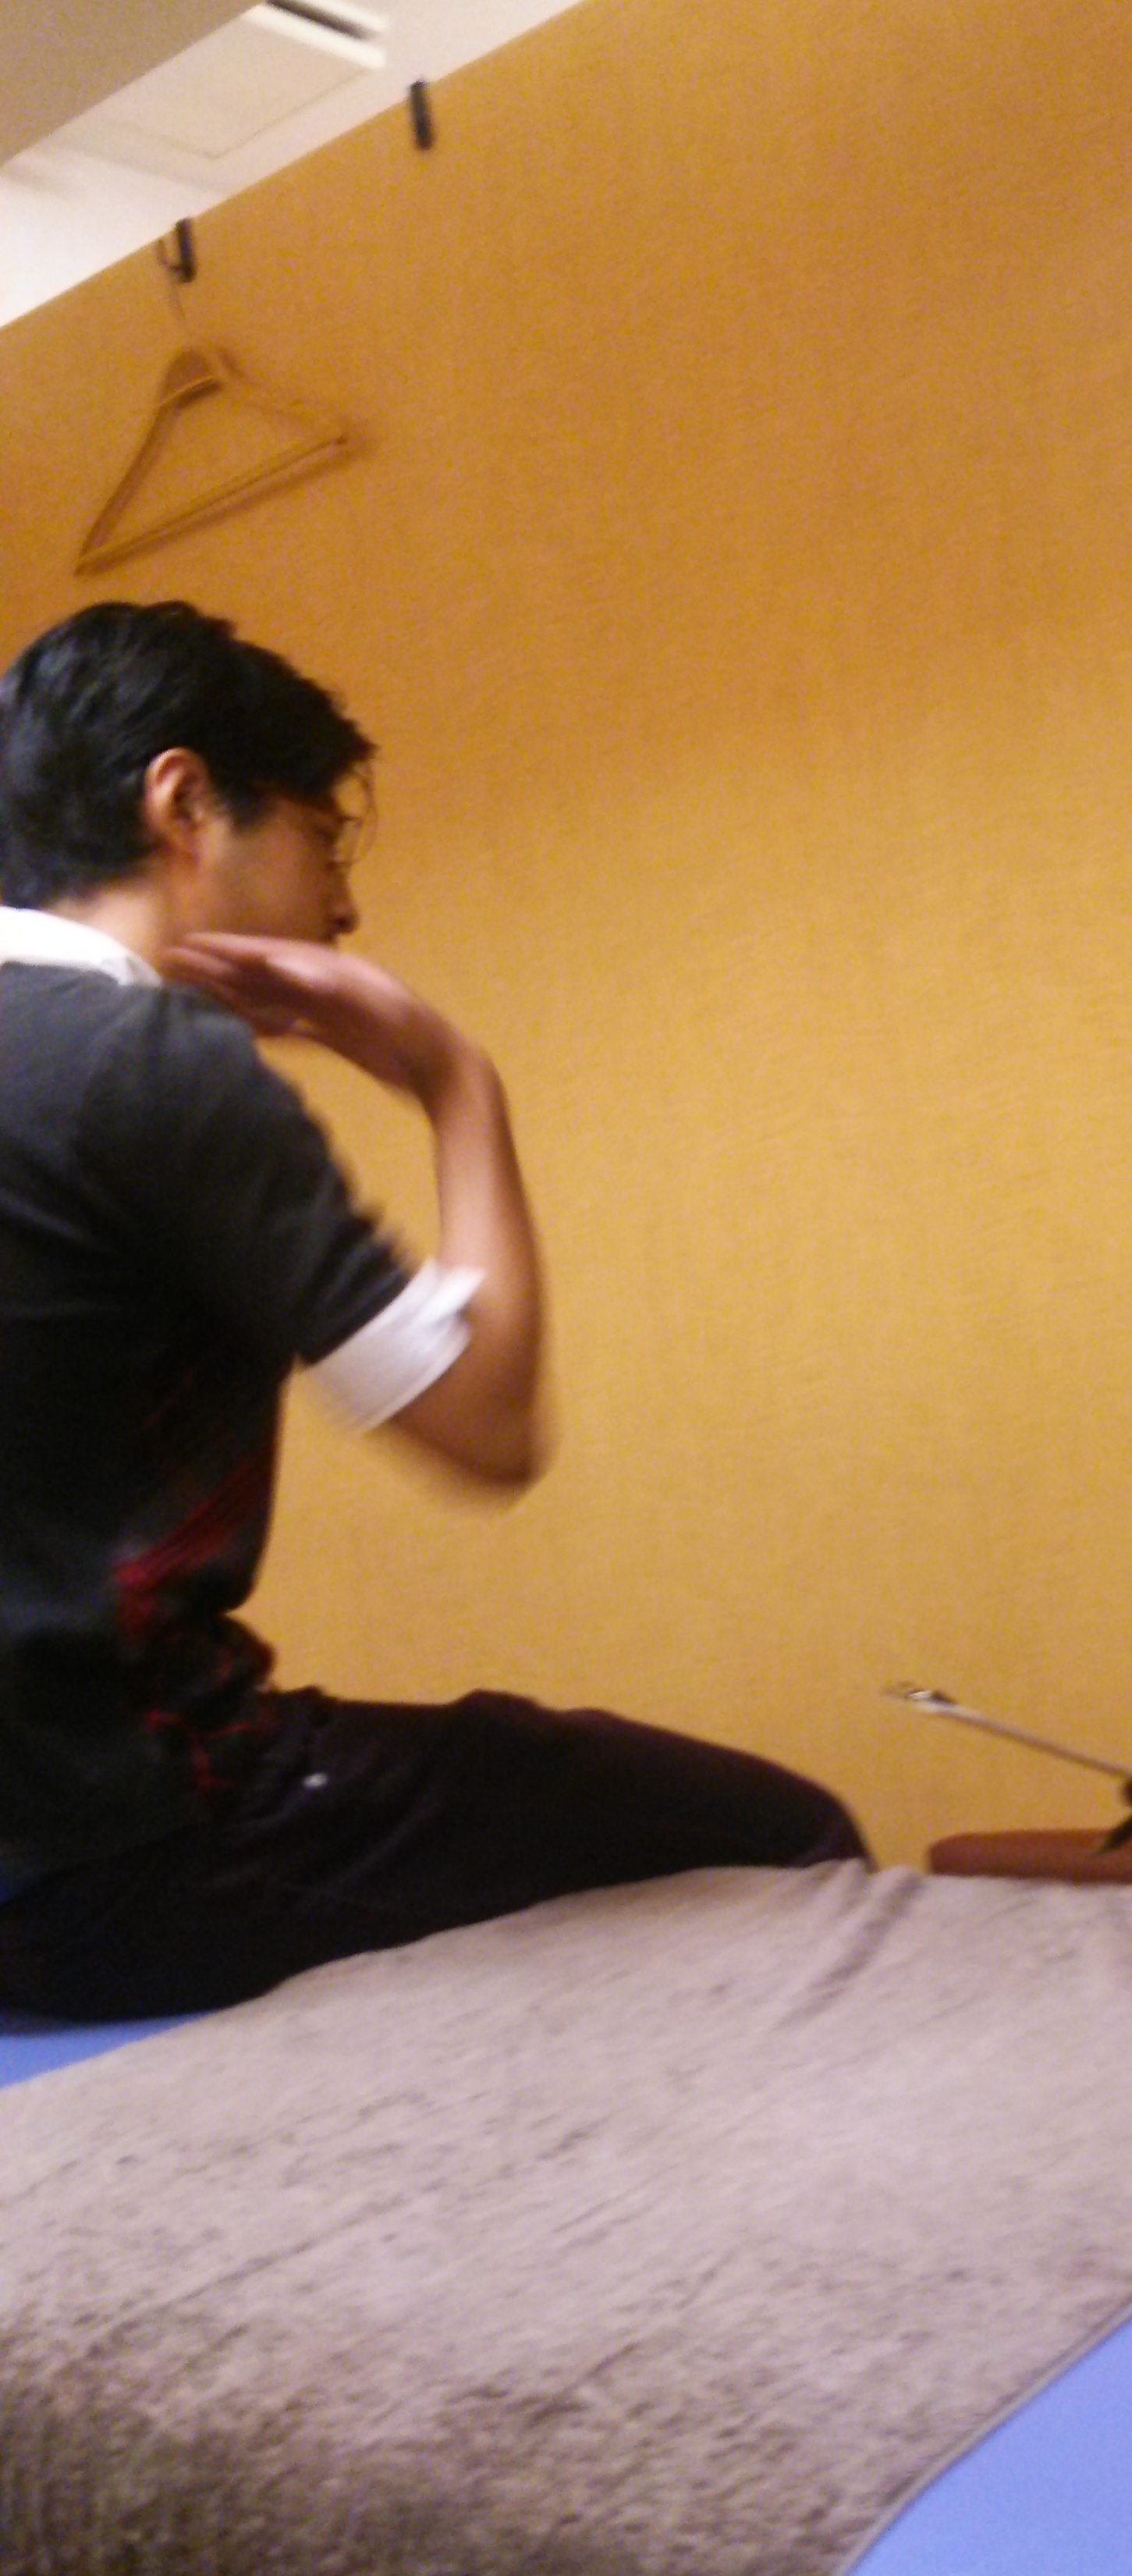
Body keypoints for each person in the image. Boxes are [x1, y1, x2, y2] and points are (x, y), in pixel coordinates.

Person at [0, 599, 864, 2020]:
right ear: (185, 803)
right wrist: (456, 1086)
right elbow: (488, 1426)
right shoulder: (147, 1062)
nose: (344, 908)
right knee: (778, 1836)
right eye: (324, 839)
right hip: (127, 1857)